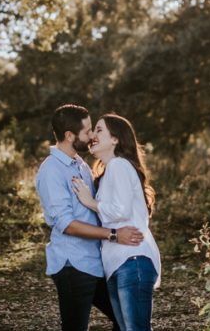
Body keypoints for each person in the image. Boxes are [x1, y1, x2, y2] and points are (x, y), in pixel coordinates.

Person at [36, 104, 144, 331]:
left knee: (124, 320)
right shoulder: (52, 170)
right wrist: (114, 235)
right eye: (87, 132)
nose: (92, 136)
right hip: (73, 265)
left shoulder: (81, 165)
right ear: (69, 136)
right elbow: (66, 224)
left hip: (96, 263)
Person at [72, 113, 161, 331]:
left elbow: (120, 211)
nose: (93, 135)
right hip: (118, 263)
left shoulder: (119, 165)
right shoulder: (109, 171)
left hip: (132, 259)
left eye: (99, 130)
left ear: (115, 139)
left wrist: (89, 202)